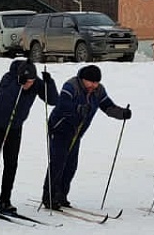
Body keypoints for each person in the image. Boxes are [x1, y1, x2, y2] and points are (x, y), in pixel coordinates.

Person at [41, 64, 131, 209]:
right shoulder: (71, 86)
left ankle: (61, 195)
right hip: (60, 128)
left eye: (96, 82)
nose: (94, 85)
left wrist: (122, 113)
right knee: (58, 162)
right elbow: (63, 105)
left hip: (76, 132)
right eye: (91, 82)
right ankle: (49, 197)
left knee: (71, 165)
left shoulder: (98, 90)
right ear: (83, 79)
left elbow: (107, 106)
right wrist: (78, 109)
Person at [0, 59, 55, 214]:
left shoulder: (35, 83)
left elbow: (53, 100)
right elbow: (3, 100)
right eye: (27, 82)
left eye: (32, 81)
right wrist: (17, 85)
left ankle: (5, 200)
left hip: (15, 127)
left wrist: (49, 84)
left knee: (11, 164)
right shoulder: (8, 78)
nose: (29, 85)